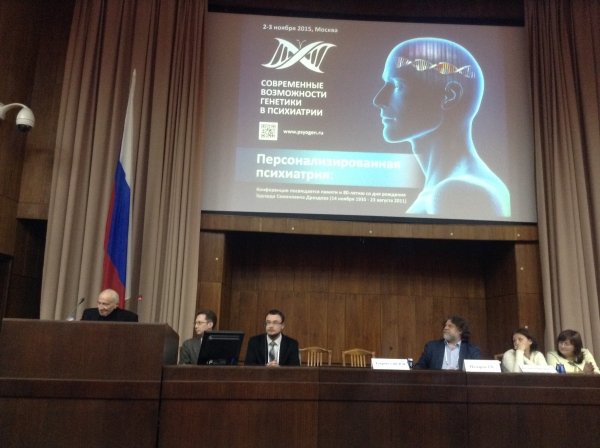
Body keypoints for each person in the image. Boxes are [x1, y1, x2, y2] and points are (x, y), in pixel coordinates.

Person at [373, 37, 510, 219]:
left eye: (398, 85)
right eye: (386, 83)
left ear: (449, 96)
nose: (379, 100)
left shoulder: (457, 192)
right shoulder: (449, 187)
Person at [414, 315, 481, 370]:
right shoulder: (432, 347)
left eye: (450, 326)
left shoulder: (472, 350)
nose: (445, 328)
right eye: (445, 326)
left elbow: (478, 373)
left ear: (460, 330)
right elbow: (419, 367)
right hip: (437, 381)